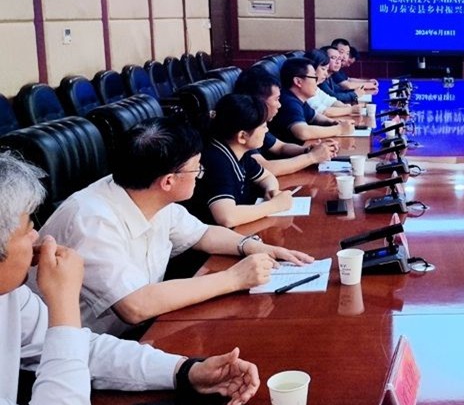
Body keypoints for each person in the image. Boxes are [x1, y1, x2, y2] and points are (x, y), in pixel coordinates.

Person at [1, 152, 260, 405]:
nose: (38, 237)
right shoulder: (88, 217)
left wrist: (185, 371)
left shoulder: (10, 294)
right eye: (27, 229)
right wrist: (63, 302)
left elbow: (86, 350)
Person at [37, 117, 314, 336]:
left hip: (140, 332)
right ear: (168, 181)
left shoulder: (146, 191)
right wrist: (234, 279)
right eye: (197, 169)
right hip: (85, 352)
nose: (200, 175)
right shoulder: (91, 220)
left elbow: (203, 234)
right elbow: (135, 306)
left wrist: (254, 247)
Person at [189, 94, 295, 228]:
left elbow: (266, 176)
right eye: (263, 126)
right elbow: (227, 217)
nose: (267, 130)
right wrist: (274, 205)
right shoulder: (217, 160)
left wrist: (271, 190)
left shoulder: (240, 152)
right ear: (242, 136)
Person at [233, 66, 336, 177]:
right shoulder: (243, 124)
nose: (279, 105)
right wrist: (312, 157)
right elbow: (264, 168)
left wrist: (308, 150)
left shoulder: (259, 123)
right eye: (276, 99)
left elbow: (280, 147)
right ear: (259, 102)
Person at [270, 58, 354, 145]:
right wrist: (339, 129)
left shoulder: (298, 98)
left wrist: (333, 122)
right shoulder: (289, 102)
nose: (316, 82)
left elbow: (314, 116)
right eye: (314, 77)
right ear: (298, 81)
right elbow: (303, 132)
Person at [304, 51, 363, 119]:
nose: (326, 74)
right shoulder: (306, 88)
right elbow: (324, 112)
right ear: (311, 69)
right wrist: (351, 110)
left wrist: (345, 107)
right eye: (323, 69)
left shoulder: (316, 87)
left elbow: (331, 101)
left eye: (326, 69)